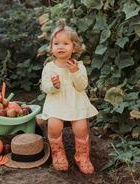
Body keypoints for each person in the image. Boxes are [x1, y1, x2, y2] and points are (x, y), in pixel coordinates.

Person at [39, 19, 98, 174]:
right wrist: (54, 86)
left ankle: (82, 156)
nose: (60, 47)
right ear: (51, 48)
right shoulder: (49, 67)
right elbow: (44, 87)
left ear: (74, 47)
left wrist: (75, 73)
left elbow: (82, 86)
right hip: (56, 103)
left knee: (81, 127)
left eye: (65, 43)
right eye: (56, 43)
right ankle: (58, 154)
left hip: (75, 102)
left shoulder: (79, 66)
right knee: (54, 125)